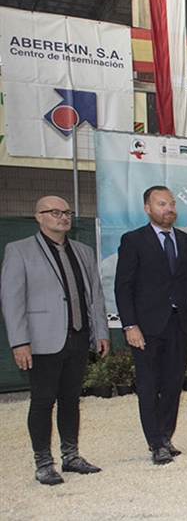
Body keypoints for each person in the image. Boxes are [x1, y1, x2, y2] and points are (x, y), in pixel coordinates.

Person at [1, 196, 111, 485]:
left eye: (66, 212)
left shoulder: (84, 252)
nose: (62, 217)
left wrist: (100, 331)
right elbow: (11, 301)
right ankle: (43, 463)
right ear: (38, 216)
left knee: (71, 400)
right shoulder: (19, 250)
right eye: (54, 212)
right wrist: (19, 342)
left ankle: (71, 456)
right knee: (42, 401)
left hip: (78, 337)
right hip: (41, 341)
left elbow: (95, 295)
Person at [115, 186, 187, 465]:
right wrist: (130, 325)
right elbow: (124, 287)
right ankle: (155, 442)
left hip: (179, 323)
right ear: (147, 208)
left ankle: (166, 436)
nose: (168, 209)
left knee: (172, 384)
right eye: (161, 204)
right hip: (145, 328)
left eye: (171, 204)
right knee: (148, 386)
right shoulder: (133, 240)